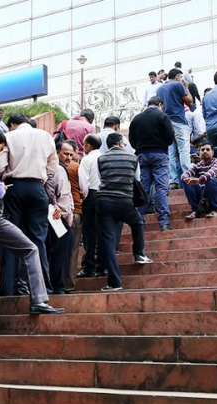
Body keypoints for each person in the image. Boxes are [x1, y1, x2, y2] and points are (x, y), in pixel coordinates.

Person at [0, 130, 64, 335]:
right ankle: (39, 300)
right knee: (31, 249)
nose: (0, 153)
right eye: (1, 148)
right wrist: (3, 188)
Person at [0, 113, 59, 296]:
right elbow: (53, 166)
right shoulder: (46, 136)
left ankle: (8, 288)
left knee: (10, 238)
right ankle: (42, 289)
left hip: (13, 188)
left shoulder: (8, 137)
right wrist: (40, 174)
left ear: (13, 124)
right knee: (38, 240)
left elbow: (0, 165)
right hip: (37, 188)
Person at [97, 133, 151, 293]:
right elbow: (137, 179)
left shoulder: (101, 158)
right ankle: (139, 253)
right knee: (137, 222)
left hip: (104, 201)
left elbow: (101, 178)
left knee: (107, 241)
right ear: (120, 143)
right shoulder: (133, 159)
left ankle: (114, 282)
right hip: (125, 201)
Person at [129, 96, 175, 231]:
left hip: (142, 155)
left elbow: (132, 140)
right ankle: (164, 222)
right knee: (161, 188)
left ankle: (139, 222)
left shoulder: (136, 119)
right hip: (160, 154)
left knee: (143, 189)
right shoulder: (162, 117)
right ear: (160, 104)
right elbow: (169, 137)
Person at [157, 68, 195, 195]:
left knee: (171, 152)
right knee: (184, 149)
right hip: (179, 120)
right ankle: (187, 176)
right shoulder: (178, 84)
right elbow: (190, 102)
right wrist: (187, 87)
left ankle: (173, 180)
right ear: (178, 76)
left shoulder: (160, 88)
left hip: (166, 122)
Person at [46, 140, 76, 294]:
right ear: (57, 152)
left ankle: (51, 286)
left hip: (48, 215)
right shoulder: (58, 169)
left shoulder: (46, 167)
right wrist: (68, 217)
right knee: (60, 254)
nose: (69, 157)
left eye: (71, 154)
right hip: (60, 217)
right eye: (65, 154)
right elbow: (64, 196)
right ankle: (58, 287)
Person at [180, 141, 217, 219]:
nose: (205, 152)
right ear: (199, 152)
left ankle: (215, 210)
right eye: (202, 150)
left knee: (211, 180)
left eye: (208, 150)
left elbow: (212, 173)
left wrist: (200, 180)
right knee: (187, 182)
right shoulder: (199, 165)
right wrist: (185, 178)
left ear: (213, 152)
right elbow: (186, 174)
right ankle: (195, 210)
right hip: (206, 197)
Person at [76, 133, 104, 278]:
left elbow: (84, 183)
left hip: (91, 196)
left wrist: (83, 199)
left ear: (88, 145)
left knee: (89, 233)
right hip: (105, 196)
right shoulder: (104, 157)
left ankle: (88, 266)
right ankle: (102, 266)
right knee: (103, 232)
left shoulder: (86, 160)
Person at [64, 139, 83, 292]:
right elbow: (85, 189)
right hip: (75, 210)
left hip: (56, 213)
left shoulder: (51, 167)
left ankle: (54, 282)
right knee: (72, 249)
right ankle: (69, 284)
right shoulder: (76, 167)